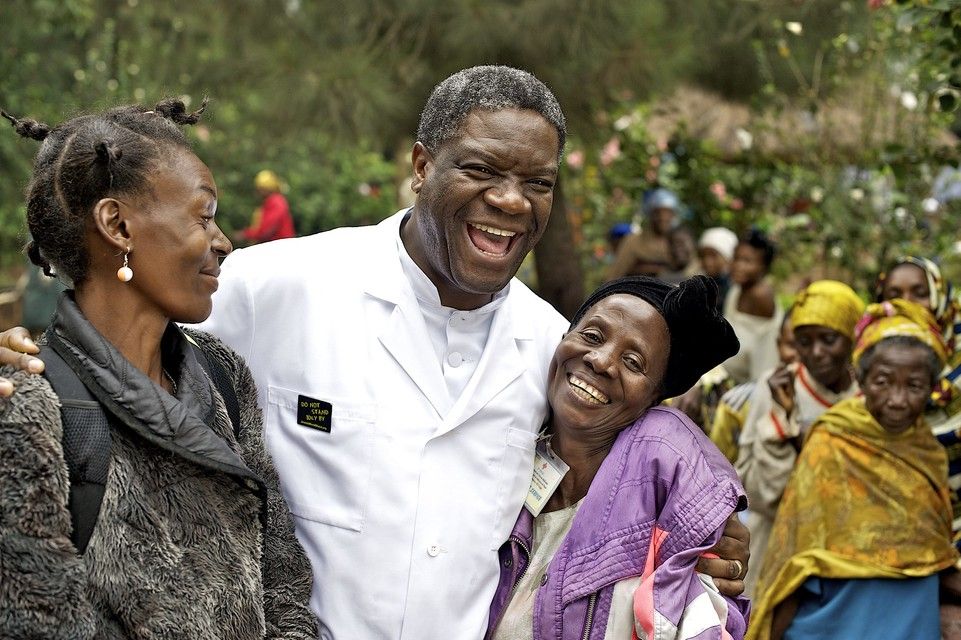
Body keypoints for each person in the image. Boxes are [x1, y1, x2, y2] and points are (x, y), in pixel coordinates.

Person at [0, 67, 749, 639]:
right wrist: (14, 360)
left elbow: (608, 498)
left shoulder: (553, 349)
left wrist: (702, 538)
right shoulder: (278, 285)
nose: (512, 201)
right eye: (482, 170)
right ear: (422, 166)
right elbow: (108, 342)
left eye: (537, 183)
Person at [0, 102, 315, 638]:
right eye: (203, 215)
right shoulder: (31, 407)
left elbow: (283, 585)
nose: (223, 242)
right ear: (118, 224)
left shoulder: (222, 377)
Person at [487, 276, 747, 640]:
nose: (601, 361)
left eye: (633, 361)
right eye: (592, 337)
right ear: (563, 340)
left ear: (653, 397)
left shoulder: (662, 511)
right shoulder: (495, 443)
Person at [748, 299, 959, 640]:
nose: (897, 399)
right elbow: (798, 551)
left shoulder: (929, 454)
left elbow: (933, 552)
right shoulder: (832, 439)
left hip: (912, 624)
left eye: (914, 386)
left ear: (933, 389)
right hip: (830, 624)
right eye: (882, 382)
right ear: (860, 378)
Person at [735, 280, 864, 595]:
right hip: (779, 546)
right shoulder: (777, 388)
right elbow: (760, 493)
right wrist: (783, 423)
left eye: (829, 340)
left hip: (849, 554)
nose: (816, 353)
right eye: (804, 341)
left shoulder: (869, 393)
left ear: (852, 338)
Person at [711, 311, 798, 464]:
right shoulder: (737, 405)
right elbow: (717, 467)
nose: (806, 353)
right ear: (778, 344)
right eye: (793, 345)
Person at [722, 228, 782, 385]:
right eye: (736, 258)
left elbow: (765, 356)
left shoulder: (761, 296)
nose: (738, 266)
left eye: (747, 261)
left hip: (754, 384)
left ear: (763, 267)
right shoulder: (737, 290)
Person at [606, 188, 679, 280]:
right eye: (658, 213)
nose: (663, 217)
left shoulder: (679, 243)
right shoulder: (633, 242)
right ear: (650, 214)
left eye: (667, 213)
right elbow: (615, 275)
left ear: (674, 215)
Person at [235, 169, 295, 244]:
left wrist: (245, 234)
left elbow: (267, 230)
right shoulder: (271, 202)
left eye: (259, 189)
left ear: (266, 189)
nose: (257, 192)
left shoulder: (276, 201)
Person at [698, 226, 738, 312]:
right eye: (703, 255)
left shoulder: (734, 288)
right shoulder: (700, 284)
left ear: (728, 258)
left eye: (713, 255)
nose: (707, 261)